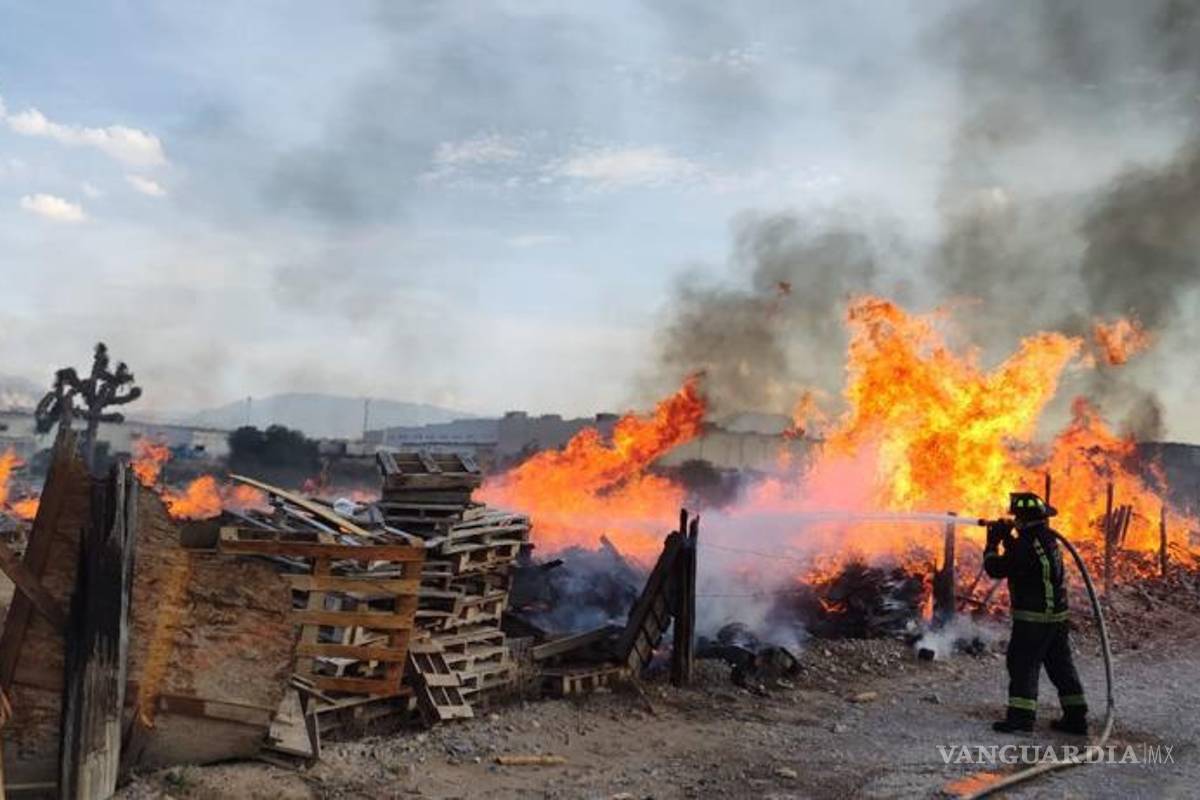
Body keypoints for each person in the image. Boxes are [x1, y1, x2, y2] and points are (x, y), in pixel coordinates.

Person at [983, 492, 1088, 735]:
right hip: (1056, 617)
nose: (1014, 521)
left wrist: (992, 543)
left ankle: (1021, 720)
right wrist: (1008, 538)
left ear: (1022, 519)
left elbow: (996, 568)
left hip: (1033, 619)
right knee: (1060, 666)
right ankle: (1076, 718)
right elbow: (1022, 561)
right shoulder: (1045, 539)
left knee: (1022, 664)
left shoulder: (1026, 544)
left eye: (1016, 518)